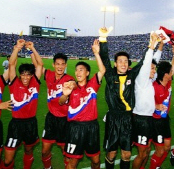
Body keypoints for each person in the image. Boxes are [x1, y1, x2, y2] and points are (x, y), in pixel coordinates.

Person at [99, 27, 146, 169]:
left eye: (126, 61)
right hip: (113, 119)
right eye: (120, 61)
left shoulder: (132, 75)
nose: (123, 64)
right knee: (112, 154)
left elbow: (144, 62)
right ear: (115, 64)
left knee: (126, 154)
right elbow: (104, 58)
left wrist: (152, 45)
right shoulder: (110, 75)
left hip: (127, 119)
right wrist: (103, 39)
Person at [63, 39, 106, 169]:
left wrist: (96, 53)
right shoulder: (70, 86)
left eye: (81, 70)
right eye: (76, 70)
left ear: (87, 73)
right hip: (75, 128)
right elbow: (61, 102)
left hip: (92, 127)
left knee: (96, 160)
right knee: (72, 162)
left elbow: (102, 70)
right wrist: (65, 94)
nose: (78, 72)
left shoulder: (93, 85)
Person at [3, 39, 43, 169]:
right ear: (20, 75)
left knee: (28, 150)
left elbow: (40, 65)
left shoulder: (35, 83)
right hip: (16, 124)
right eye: (23, 75)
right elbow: (12, 65)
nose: (25, 78)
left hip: (31, 123)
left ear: (32, 76)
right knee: (8, 159)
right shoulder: (14, 83)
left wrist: (33, 49)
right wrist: (17, 49)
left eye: (28, 75)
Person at [132, 34, 163, 169]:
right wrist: (151, 46)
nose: (154, 71)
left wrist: (161, 45)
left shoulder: (150, 79)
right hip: (140, 119)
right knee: (142, 152)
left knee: (148, 150)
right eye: (152, 69)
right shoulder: (141, 79)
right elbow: (147, 63)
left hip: (149, 119)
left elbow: (154, 61)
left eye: (155, 69)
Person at [41, 52, 76, 169]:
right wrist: (32, 49)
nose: (60, 66)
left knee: (65, 152)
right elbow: (39, 65)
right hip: (51, 118)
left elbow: (73, 84)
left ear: (66, 65)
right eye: (57, 64)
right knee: (45, 151)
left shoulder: (68, 79)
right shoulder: (49, 75)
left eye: (62, 64)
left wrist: (71, 86)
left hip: (64, 120)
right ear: (53, 65)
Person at [149, 43, 174, 169]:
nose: (172, 72)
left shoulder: (168, 81)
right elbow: (144, 102)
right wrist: (156, 105)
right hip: (155, 122)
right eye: (170, 72)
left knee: (167, 147)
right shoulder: (154, 87)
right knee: (160, 150)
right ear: (165, 74)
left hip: (165, 120)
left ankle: (157, 166)